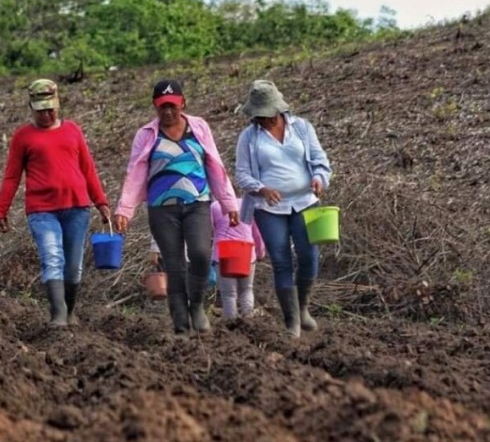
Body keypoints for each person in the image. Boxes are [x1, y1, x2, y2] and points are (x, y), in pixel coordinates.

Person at [115, 79, 240, 335]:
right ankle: (181, 323)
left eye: (173, 106)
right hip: (162, 209)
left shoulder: (199, 127)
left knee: (201, 255)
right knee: (173, 265)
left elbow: (215, 165)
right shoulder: (147, 134)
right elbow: (135, 173)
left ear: (182, 103)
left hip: (197, 203)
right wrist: (125, 209)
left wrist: (228, 202)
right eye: (162, 107)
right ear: (155, 107)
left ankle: (196, 306)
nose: (168, 112)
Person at [0, 79, 111, 328]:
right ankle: (57, 313)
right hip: (42, 209)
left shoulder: (73, 131)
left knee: (73, 266)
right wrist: (1, 208)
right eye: (41, 110)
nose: (46, 115)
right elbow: (12, 175)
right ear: (31, 108)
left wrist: (101, 201)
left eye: (51, 109)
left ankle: (70, 310)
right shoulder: (23, 137)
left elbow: (88, 169)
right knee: (52, 257)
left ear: (58, 106)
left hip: (77, 207)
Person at [234, 80, 332, 337]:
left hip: (305, 202)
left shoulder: (301, 128)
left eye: (266, 115)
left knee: (309, 256)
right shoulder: (249, 137)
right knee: (281, 261)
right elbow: (242, 174)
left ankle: (303, 308)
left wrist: (319, 179)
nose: (263, 120)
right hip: (269, 208)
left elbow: (320, 161)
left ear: (277, 109)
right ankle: (292, 322)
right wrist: (261, 188)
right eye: (258, 116)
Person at [211, 198, 265, 320]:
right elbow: (257, 232)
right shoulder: (248, 205)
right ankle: (248, 317)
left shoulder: (215, 206)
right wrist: (260, 251)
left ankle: (230, 321)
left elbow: (208, 229)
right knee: (246, 289)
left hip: (224, 253)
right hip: (246, 252)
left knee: (228, 293)